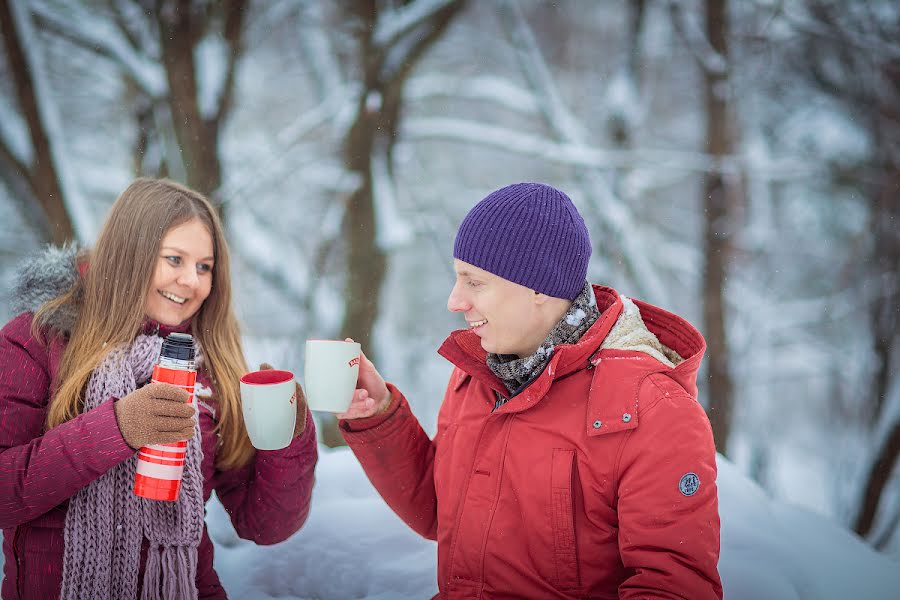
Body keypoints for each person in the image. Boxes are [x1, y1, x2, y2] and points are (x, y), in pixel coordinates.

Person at [339, 182, 722, 599]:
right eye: (457, 279)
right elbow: (442, 512)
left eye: (475, 282)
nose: (454, 301)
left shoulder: (652, 408)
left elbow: (673, 588)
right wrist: (380, 416)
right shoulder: (479, 375)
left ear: (540, 288)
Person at [0, 178, 317, 600]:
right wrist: (118, 428)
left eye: (205, 267)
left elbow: (265, 524)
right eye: (175, 259)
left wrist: (289, 437)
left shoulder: (211, 368)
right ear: (129, 256)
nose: (191, 280)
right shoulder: (37, 341)